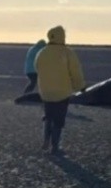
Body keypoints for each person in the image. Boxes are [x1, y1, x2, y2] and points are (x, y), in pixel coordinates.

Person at [35, 26, 85, 155]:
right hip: (62, 92)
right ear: (62, 36)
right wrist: (80, 87)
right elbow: (75, 71)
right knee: (58, 119)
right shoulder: (67, 52)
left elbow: (37, 68)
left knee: (48, 116)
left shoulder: (42, 52)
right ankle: (55, 146)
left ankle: (46, 140)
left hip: (46, 91)